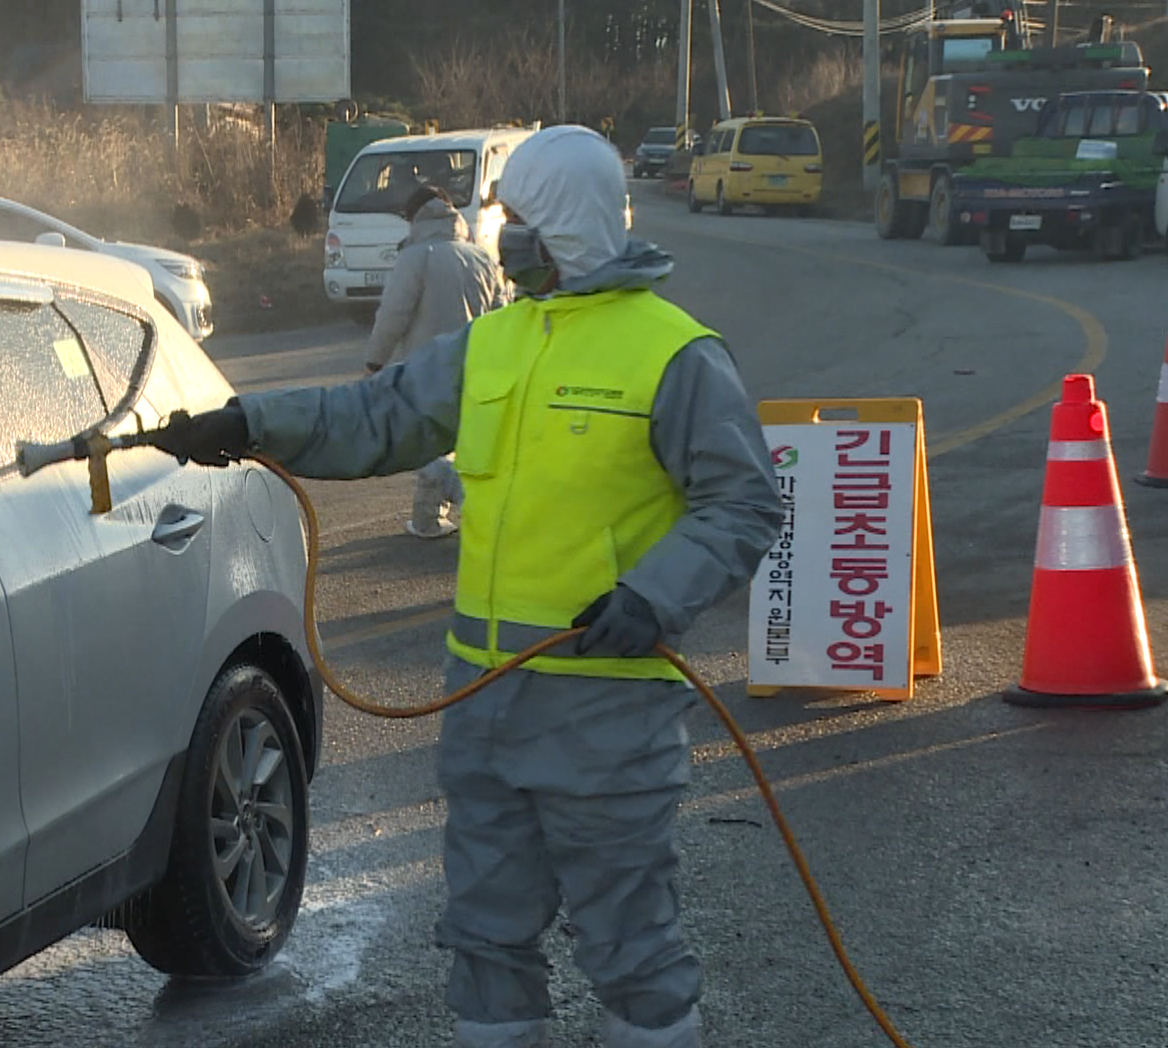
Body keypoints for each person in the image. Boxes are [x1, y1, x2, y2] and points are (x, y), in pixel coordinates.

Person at [148, 125, 783, 1048]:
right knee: (484, 941)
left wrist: (651, 598)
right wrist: (249, 421)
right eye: (504, 217)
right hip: (486, 706)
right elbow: (373, 417)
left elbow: (743, 504)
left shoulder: (674, 355)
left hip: (607, 715)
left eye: (520, 218)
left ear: (564, 224)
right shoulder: (496, 343)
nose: (505, 234)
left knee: (630, 948)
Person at [365, 183, 508, 539]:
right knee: (454, 443)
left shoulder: (415, 257)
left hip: (425, 368)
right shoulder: (481, 256)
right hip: (477, 367)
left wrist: (375, 360)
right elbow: (503, 315)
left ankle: (475, 504)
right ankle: (427, 519)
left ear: (414, 217)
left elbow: (393, 315)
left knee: (430, 447)